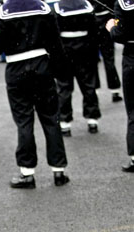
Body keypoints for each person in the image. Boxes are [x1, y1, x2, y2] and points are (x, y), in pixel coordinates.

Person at [0, 0, 69, 188]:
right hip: (42, 67)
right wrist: (59, 72)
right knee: (51, 119)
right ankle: (59, 170)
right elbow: (56, 45)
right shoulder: (43, 8)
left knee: (24, 121)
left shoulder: (2, 12)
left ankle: (27, 172)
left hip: (16, 70)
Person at [54, 0, 101, 136]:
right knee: (88, 85)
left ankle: (64, 122)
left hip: (65, 51)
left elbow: (55, 34)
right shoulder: (86, 5)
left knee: (64, 87)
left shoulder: (57, 7)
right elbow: (94, 31)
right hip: (85, 49)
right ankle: (92, 120)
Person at [106, 0, 134, 172]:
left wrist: (111, 27)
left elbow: (119, 35)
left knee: (133, 109)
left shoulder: (123, 4)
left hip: (132, 56)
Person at [91, 0, 122, 103]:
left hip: (92, 21)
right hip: (106, 19)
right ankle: (115, 89)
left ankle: (94, 89)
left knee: (93, 59)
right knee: (109, 58)